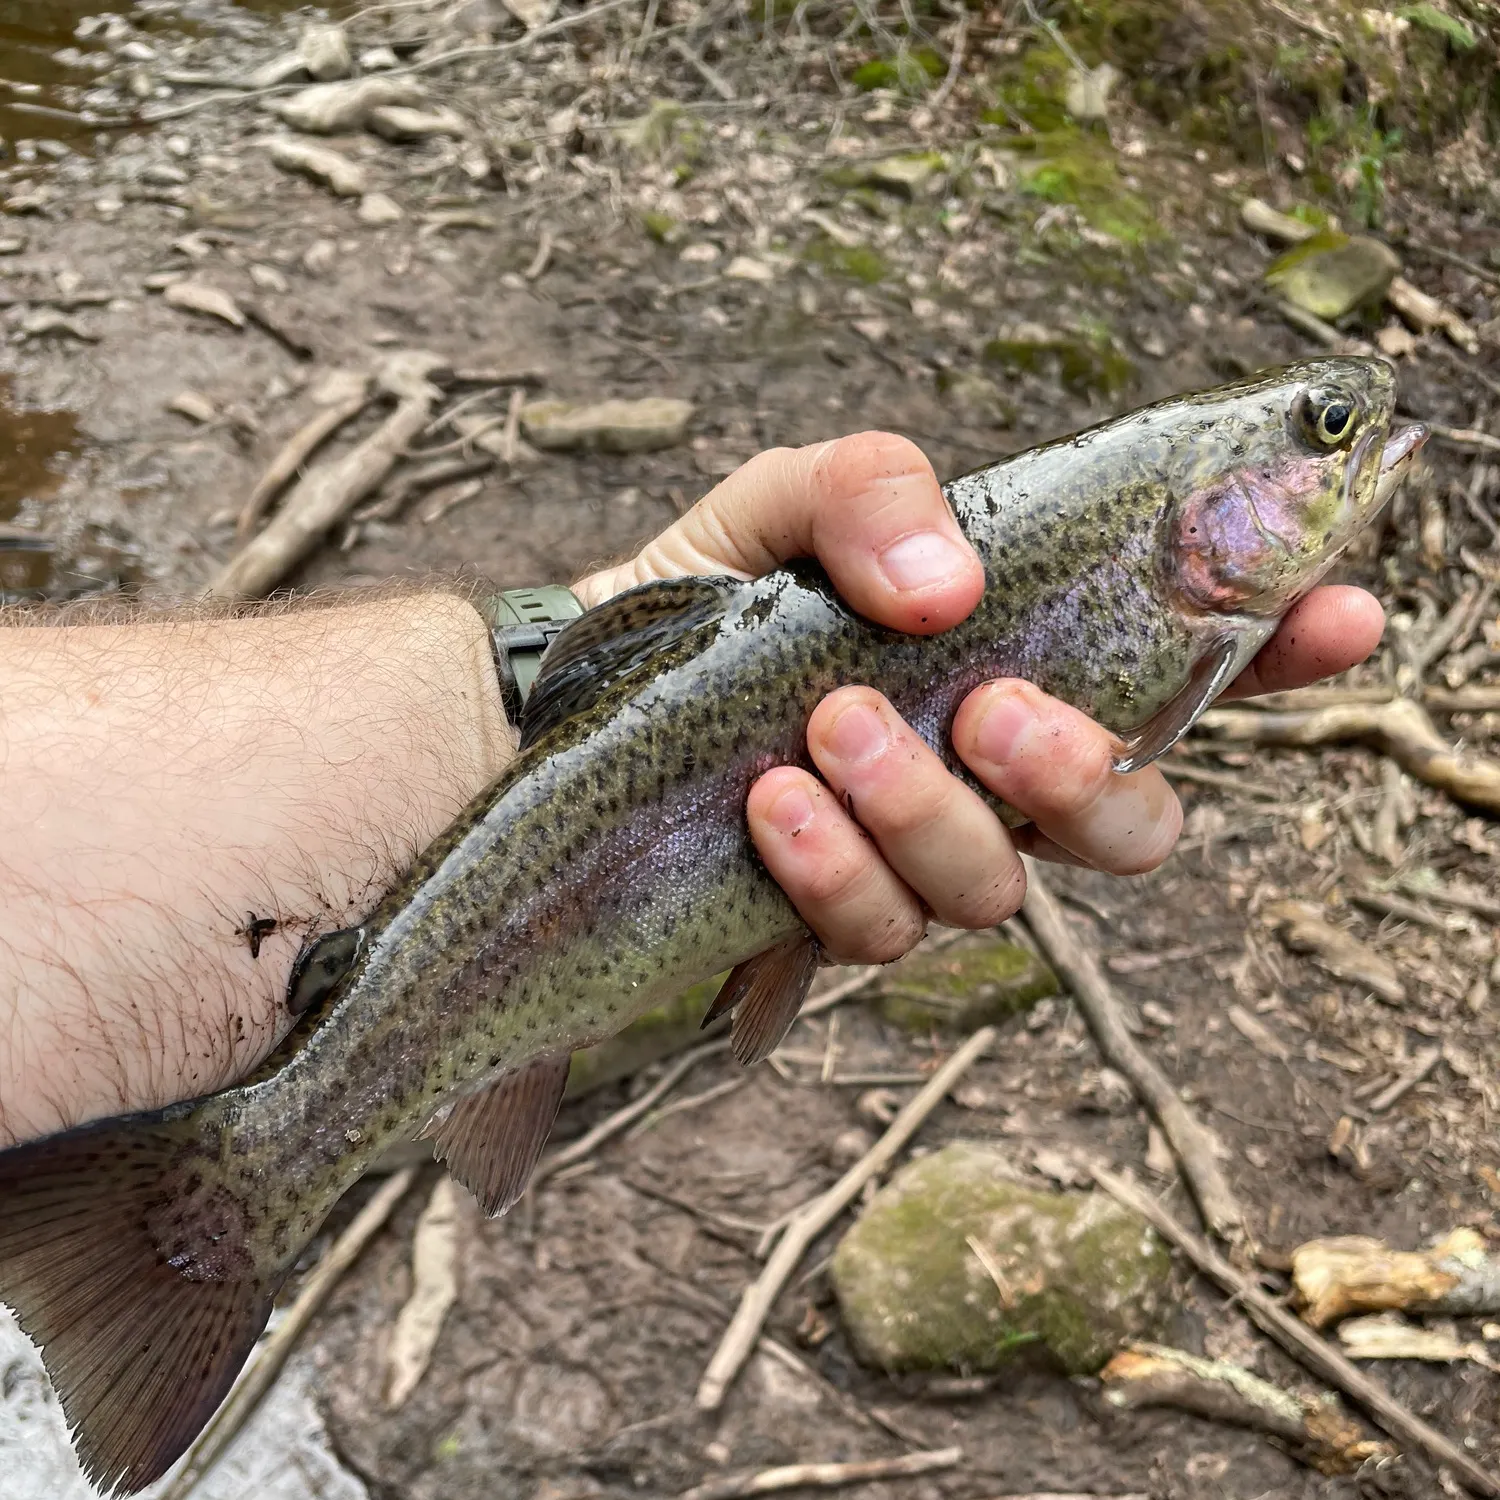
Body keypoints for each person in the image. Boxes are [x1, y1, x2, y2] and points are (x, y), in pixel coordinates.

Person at [0, 432, 1382, 1150]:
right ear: (1205, 505)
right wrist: (526, 681)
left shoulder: (1218, 617)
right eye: (1321, 433)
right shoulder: (1177, 593)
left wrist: (507, 688)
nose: (1348, 444)